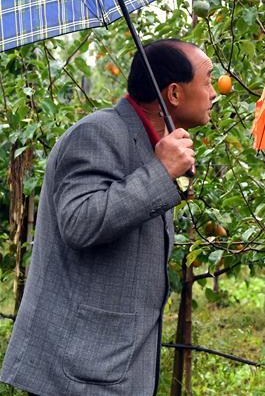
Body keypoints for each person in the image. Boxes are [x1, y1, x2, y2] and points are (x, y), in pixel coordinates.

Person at [0, 39, 216, 396]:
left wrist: (165, 172)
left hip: (111, 365)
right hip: (79, 372)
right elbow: (80, 222)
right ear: (174, 93)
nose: (214, 91)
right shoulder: (97, 134)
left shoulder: (152, 144)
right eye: (208, 80)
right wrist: (159, 175)